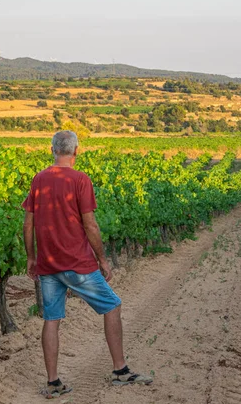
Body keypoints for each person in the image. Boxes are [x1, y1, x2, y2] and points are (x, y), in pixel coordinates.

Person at [22, 130, 152, 399]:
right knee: (113, 306)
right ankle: (120, 370)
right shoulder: (80, 179)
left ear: (52, 150)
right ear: (76, 151)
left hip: (48, 263)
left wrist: (31, 257)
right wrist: (102, 259)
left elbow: (28, 224)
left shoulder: (39, 179)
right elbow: (90, 224)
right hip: (77, 263)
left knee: (51, 319)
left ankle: (53, 382)